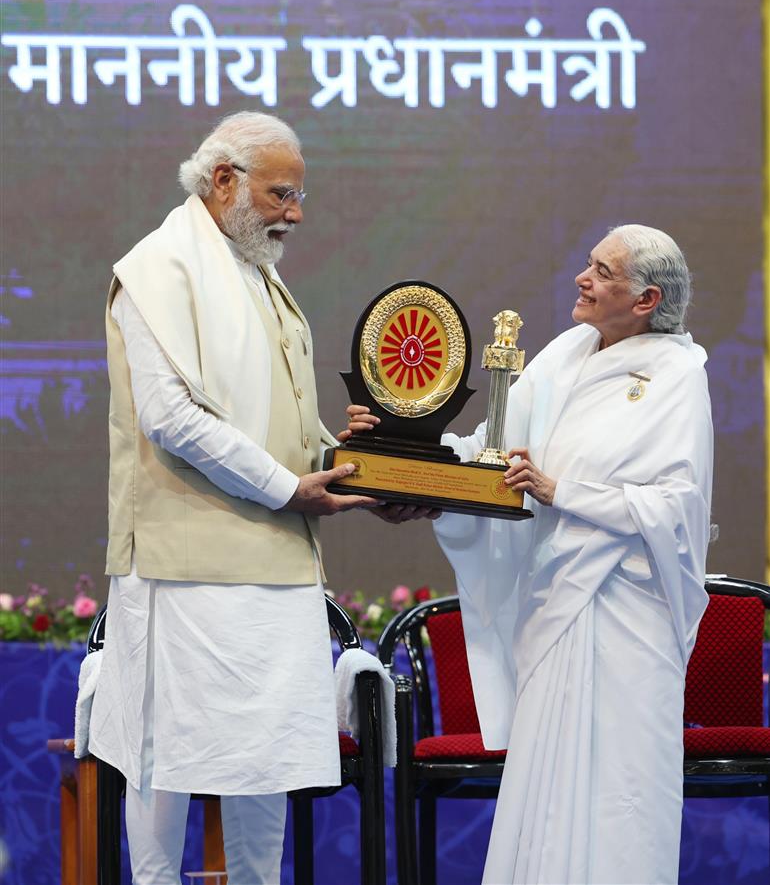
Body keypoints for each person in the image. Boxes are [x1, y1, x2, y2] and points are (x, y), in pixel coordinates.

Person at [348, 224, 713, 884]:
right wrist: (402, 461)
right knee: (546, 793)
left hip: (627, 619)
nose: (583, 277)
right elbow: (493, 449)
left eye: (602, 271)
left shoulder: (680, 376)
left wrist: (561, 490)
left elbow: (674, 507)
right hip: (555, 609)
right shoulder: (568, 352)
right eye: (588, 263)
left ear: (645, 299)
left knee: (619, 799)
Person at [88, 111, 382, 885]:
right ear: (223, 181)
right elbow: (172, 418)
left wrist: (356, 465)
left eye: (300, 195)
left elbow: (276, 421)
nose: (297, 213)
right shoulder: (159, 268)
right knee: (164, 763)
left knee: (268, 764)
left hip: (277, 567)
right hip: (184, 570)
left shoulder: (257, 272)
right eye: (283, 194)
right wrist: (290, 488)